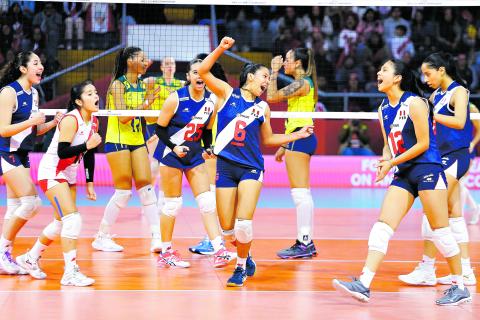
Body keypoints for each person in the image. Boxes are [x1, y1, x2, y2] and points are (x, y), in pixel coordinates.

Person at [332, 59, 471, 306]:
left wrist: (393, 162)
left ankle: (460, 286)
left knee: (440, 231)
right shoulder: (383, 108)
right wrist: (385, 162)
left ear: (397, 78)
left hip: (428, 168)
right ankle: (364, 283)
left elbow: (423, 144)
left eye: (384, 69)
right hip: (404, 173)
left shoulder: (415, 103)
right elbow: (388, 144)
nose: (378, 72)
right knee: (382, 226)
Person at [198, 37, 314, 287]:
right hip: (226, 168)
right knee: (227, 229)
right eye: (263, 77)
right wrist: (221, 49)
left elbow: (269, 138)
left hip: (251, 168)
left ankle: (239, 268)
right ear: (250, 77)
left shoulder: (263, 108)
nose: (266, 82)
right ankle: (245, 253)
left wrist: (297, 134)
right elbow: (203, 70)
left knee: (243, 222)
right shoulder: (227, 93)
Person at [399, 53, 476, 286]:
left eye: (428, 73)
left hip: (455, 156)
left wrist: (434, 113)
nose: (425, 78)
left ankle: (427, 267)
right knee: (453, 213)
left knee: (433, 209)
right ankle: (465, 271)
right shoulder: (435, 95)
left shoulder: (459, 92)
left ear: (441, 70)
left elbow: (460, 121)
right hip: (440, 157)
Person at [17, 80, 101, 286]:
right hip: (52, 171)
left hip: (69, 173)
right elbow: (64, 151)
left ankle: (29, 259)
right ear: (79, 101)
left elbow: (89, 153)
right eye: (89, 94)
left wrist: (90, 183)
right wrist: (86, 145)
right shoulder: (71, 120)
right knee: (73, 219)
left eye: (95, 92)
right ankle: (70, 273)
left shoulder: (94, 121)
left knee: (60, 222)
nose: (96, 96)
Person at [153, 58, 235, 268]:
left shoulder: (211, 101)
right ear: (188, 77)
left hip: (195, 155)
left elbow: (206, 130)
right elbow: (160, 129)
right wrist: (174, 148)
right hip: (172, 155)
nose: (199, 76)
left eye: (202, 73)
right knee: (172, 205)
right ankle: (166, 251)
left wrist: (208, 147)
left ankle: (219, 250)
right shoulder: (175, 99)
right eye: (195, 73)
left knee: (207, 201)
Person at [91, 47, 161, 253]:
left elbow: (147, 119)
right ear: (130, 61)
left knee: (146, 188)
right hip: (118, 140)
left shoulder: (142, 84)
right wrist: (148, 101)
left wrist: (154, 106)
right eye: (142, 59)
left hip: (138, 139)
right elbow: (122, 117)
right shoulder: (118, 85)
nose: (147, 62)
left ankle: (157, 237)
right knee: (123, 192)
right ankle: (102, 236)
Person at [0, 51, 60, 274]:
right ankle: (1, 251)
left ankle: (5, 256)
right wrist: (31, 121)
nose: (41, 66)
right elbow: (3, 129)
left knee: (15, 207)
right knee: (31, 202)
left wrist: (53, 122)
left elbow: (33, 131)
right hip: (6, 152)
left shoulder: (33, 93)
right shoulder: (8, 93)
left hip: (23, 154)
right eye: (35, 62)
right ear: (23, 68)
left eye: (41, 62)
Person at [266, 48, 318, 259]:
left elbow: (271, 96)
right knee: (302, 192)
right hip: (298, 137)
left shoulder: (302, 83)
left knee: (300, 193)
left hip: (300, 137)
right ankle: (306, 241)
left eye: (287, 59)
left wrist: (273, 71)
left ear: (297, 63)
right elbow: (296, 117)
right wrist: (285, 145)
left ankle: (304, 242)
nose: (284, 62)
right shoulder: (303, 83)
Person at [144, 57, 184, 209]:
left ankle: (162, 200)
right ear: (161, 67)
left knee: (166, 164)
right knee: (154, 165)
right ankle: (148, 201)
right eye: (166, 64)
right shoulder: (153, 81)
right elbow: (138, 81)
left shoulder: (180, 85)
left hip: (171, 126)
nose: (170, 66)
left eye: (172, 64)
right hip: (154, 125)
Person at [461, 103, 480, 225]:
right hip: (451, 150)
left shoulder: (471, 108)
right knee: (457, 184)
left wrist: (472, 144)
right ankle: (475, 208)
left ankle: (459, 215)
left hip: (467, 151)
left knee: (460, 183)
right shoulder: (445, 104)